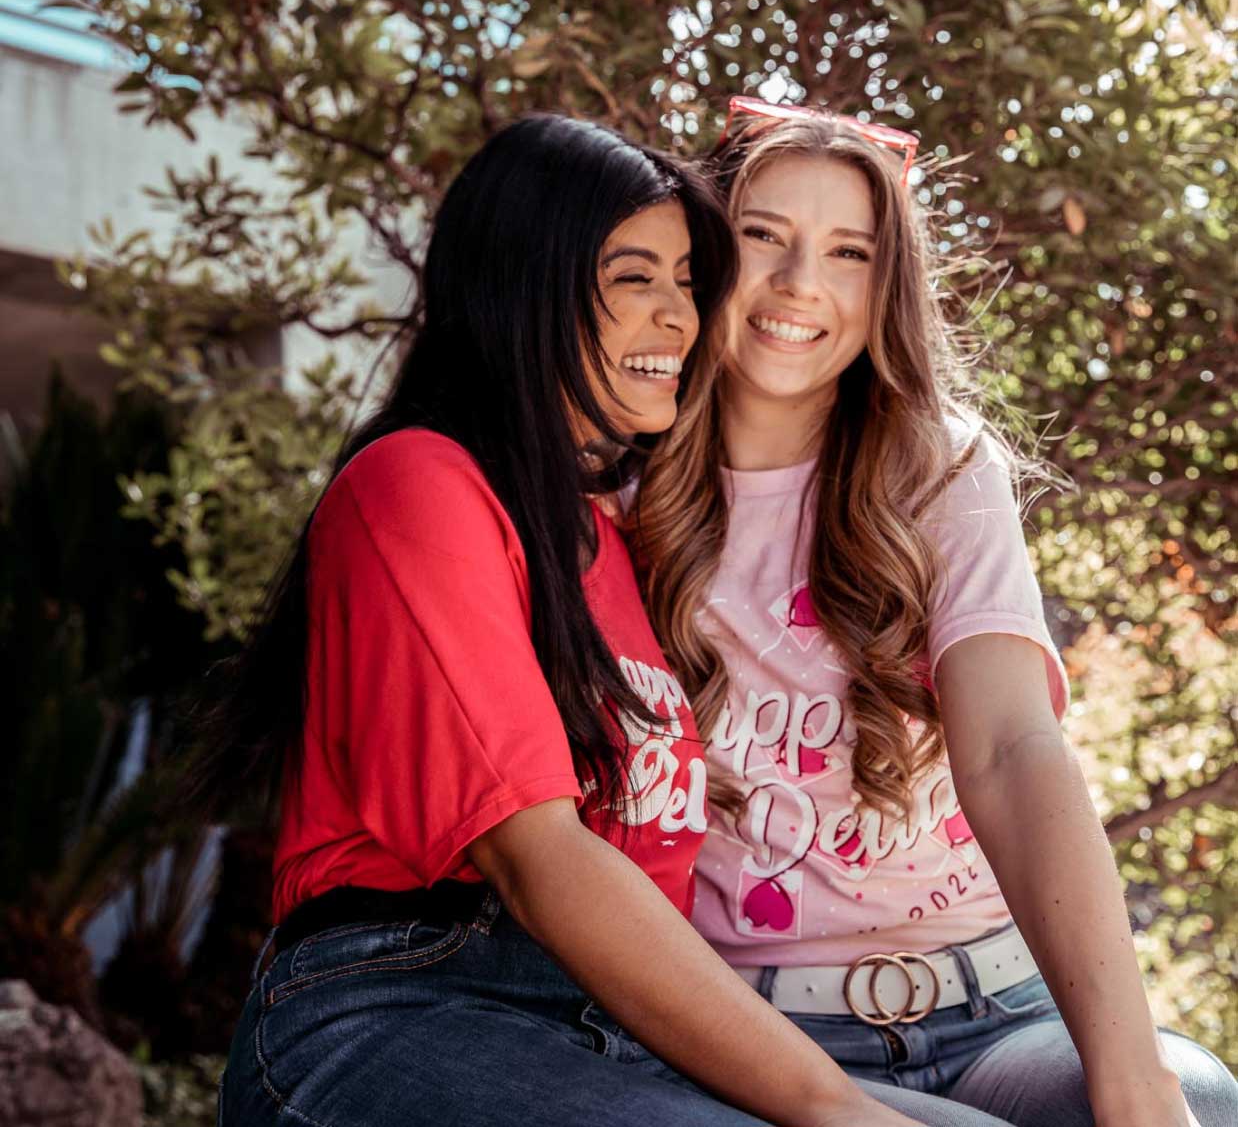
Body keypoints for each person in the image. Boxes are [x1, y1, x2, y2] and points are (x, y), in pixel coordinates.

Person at [205, 115, 964, 1127]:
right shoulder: (418, 487)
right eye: (631, 278)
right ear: (524, 282)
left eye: (688, 279)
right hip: (397, 1006)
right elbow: (538, 861)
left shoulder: (607, 539)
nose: (679, 318)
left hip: (595, 1028)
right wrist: (831, 1106)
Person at [632, 99, 1238, 1127]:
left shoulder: (939, 467)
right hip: (746, 1030)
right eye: (761, 238)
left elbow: (1010, 748)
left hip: (996, 1011)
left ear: (886, 290)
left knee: (1198, 1100)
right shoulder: (618, 492)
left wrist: (1132, 1075)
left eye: (848, 253)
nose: (797, 286)